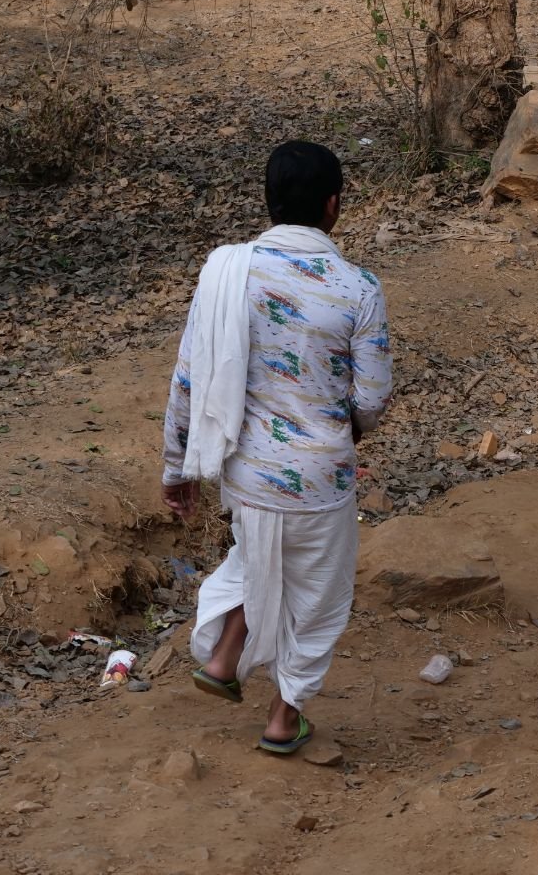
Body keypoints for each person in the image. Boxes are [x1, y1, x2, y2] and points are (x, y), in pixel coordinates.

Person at [160, 140, 391, 754]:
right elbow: (372, 397)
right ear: (333, 206)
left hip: (249, 471)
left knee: (257, 557)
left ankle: (224, 659)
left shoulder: (225, 271)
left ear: (270, 203)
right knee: (317, 595)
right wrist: (343, 430)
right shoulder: (358, 288)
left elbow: (191, 375)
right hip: (322, 478)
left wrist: (177, 464)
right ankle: (283, 721)